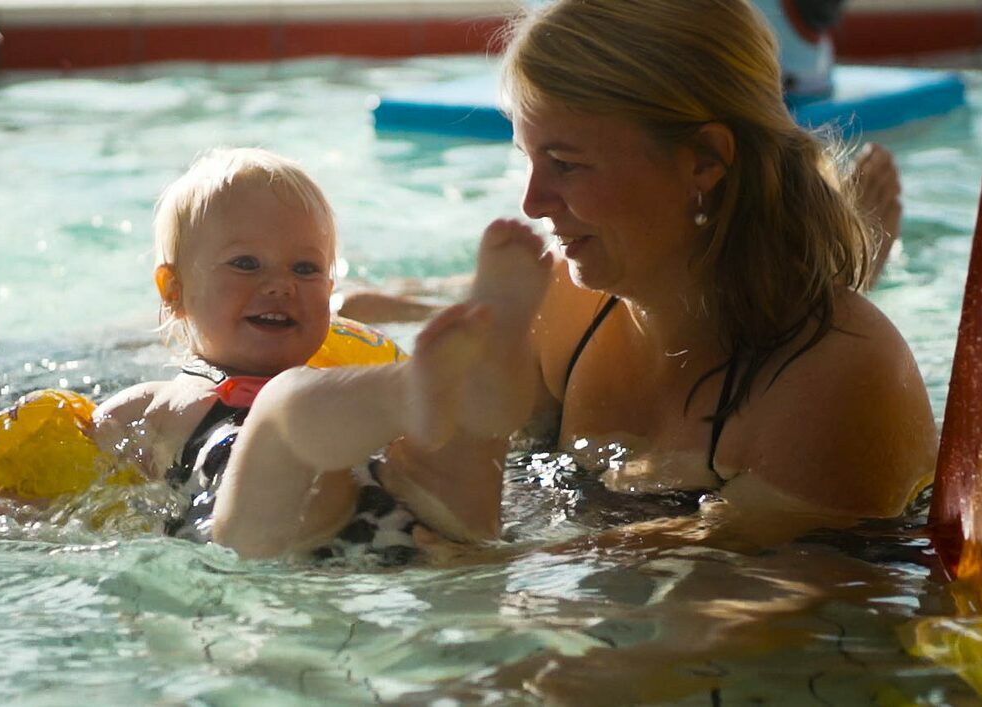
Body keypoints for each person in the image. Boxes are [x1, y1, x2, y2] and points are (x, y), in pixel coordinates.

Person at [367, 0, 937, 549]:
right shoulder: (565, 304)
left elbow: (758, 602)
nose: (532, 203)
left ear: (705, 160)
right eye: (528, 159)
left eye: (566, 165)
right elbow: (486, 481)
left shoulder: (840, 376)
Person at [90, 148, 551, 561]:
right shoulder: (154, 403)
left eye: (306, 268)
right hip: (259, 535)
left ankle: (490, 366)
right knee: (285, 405)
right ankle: (429, 392)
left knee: (444, 451)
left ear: (330, 292)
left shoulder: (342, 390)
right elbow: (78, 492)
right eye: (246, 264)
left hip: (413, 519)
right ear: (174, 290)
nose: (280, 284)